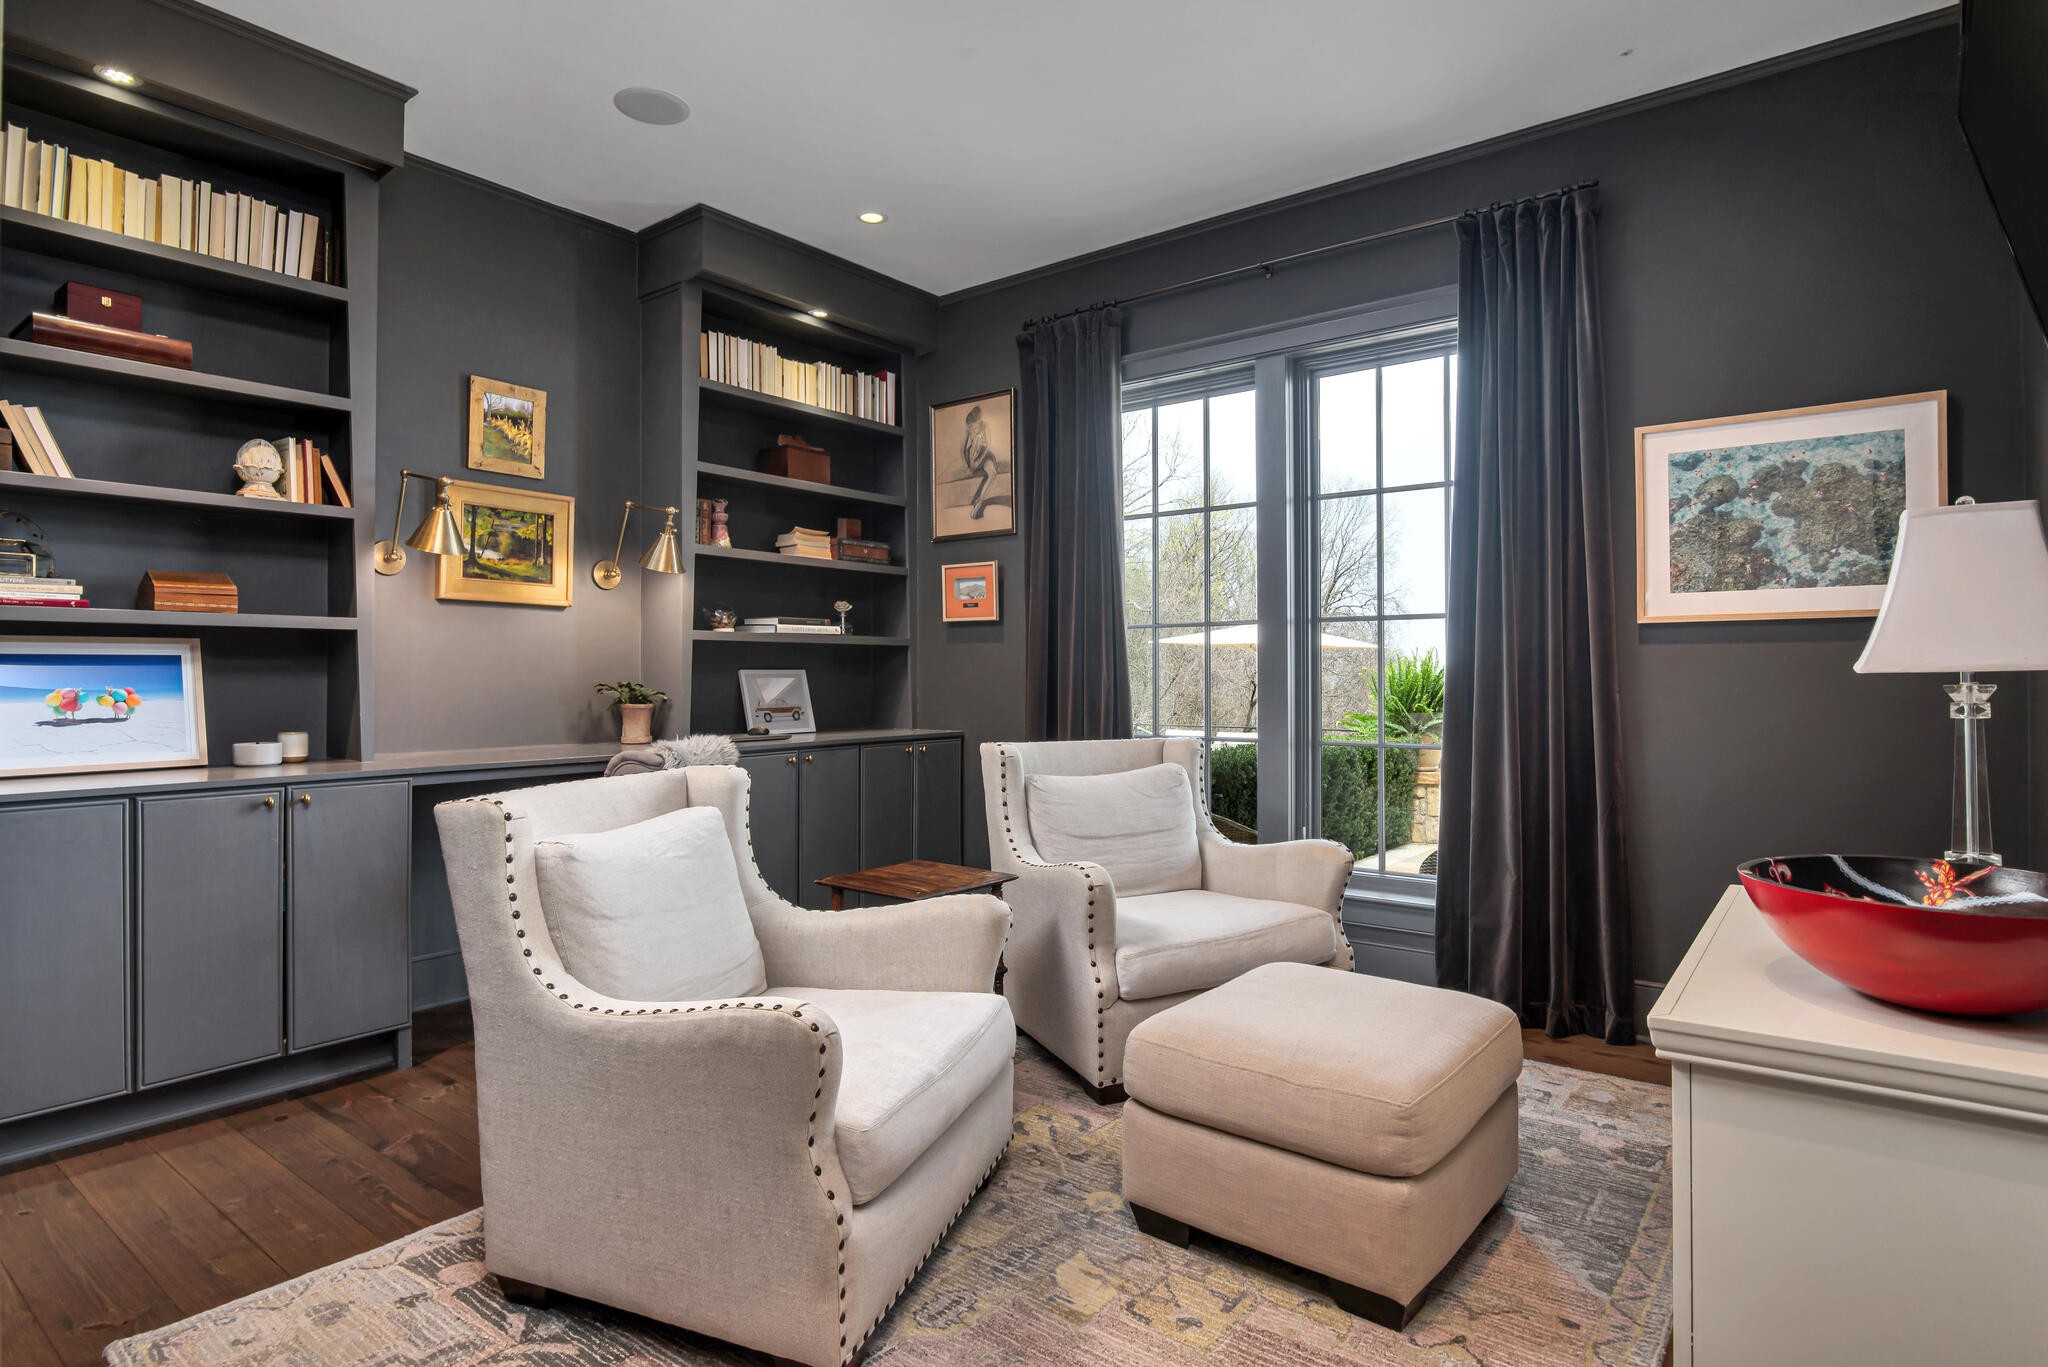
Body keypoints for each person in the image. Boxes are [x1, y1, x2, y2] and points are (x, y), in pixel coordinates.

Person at [960, 404, 999, 518]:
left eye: (975, 427)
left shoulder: (985, 426)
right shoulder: (968, 428)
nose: (973, 430)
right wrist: (966, 466)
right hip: (972, 454)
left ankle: (980, 501)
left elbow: (987, 447)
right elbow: (962, 449)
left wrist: (979, 460)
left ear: (979, 422)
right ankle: (978, 502)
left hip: (984, 454)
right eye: (971, 427)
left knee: (992, 473)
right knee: (972, 466)